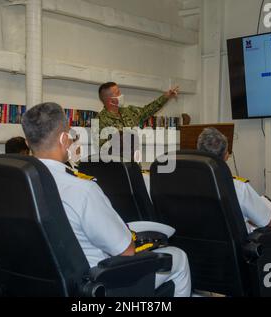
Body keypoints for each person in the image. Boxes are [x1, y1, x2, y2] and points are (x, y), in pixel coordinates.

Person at [22, 102, 191, 297]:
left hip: (42, 282)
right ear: (63, 138)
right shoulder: (82, 189)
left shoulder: (17, 186)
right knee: (179, 258)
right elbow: (125, 250)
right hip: (96, 283)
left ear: (27, 143)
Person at [196, 127, 271, 296]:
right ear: (225, 155)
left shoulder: (179, 182)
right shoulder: (238, 187)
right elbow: (270, 222)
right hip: (234, 255)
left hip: (195, 253)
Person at [97, 82, 179, 148]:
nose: (121, 95)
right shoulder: (99, 119)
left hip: (134, 164)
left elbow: (148, 110)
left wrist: (166, 96)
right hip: (116, 166)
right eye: (117, 93)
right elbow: (100, 149)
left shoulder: (129, 112)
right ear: (110, 99)